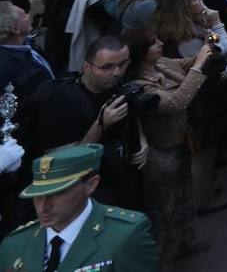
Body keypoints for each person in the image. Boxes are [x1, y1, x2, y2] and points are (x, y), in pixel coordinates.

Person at [16, 35, 146, 213]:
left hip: (122, 182)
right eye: (107, 67)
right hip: (87, 194)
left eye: (123, 64)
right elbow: (65, 162)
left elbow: (133, 113)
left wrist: (142, 140)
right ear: (87, 67)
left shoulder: (116, 85)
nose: (117, 72)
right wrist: (101, 125)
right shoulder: (61, 103)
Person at [122, 26, 215, 262]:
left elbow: (185, 63)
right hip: (161, 153)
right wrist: (198, 64)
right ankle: (165, 257)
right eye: (154, 43)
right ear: (141, 52)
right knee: (165, 208)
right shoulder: (140, 85)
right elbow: (176, 101)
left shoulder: (160, 63)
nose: (161, 43)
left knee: (184, 197)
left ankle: (184, 244)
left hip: (180, 142)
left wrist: (208, 46)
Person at [0, 144, 157, 270]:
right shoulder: (15, 244)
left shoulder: (125, 236)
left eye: (55, 194)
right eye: (37, 196)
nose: (42, 207)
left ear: (91, 185)